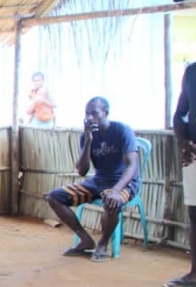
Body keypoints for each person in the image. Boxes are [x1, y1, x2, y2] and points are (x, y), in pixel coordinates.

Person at [45, 97, 139, 262]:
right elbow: (82, 171)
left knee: (112, 201)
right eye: (87, 114)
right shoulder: (87, 136)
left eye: (94, 113)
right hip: (98, 182)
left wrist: (116, 191)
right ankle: (85, 239)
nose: (89, 118)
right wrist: (88, 140)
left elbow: (132, 166)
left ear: (106, 113)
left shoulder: (122, 130)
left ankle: (102, 244)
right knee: (54, 197)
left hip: (123, 183)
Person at [166, 62, 196, 287]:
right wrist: (184, 142)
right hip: (195, 153)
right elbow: (179, 115)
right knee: (195, 213)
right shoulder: (193, 71)